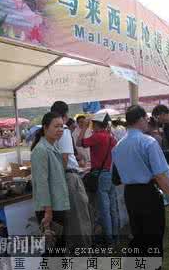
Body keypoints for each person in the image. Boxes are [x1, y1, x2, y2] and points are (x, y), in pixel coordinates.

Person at [111, 105, 169, 267]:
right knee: (153, 239)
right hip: (148, 193)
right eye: (146, 119)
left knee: (139, 236)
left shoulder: (118, 146)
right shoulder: (148, 142)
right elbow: (160, 176)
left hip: (130, 194)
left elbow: (117, 177)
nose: (148, 122)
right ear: (141, 119)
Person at [50, 101, 92, 248]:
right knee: (79, 218)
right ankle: (83, 253)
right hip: (69, 177)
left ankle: (75, 251)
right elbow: (65, 157)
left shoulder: (50, 131)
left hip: (62, 176)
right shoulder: (64, 130)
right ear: (66, 115)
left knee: (71, 219)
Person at [76, 113, 119, 245]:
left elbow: (79, 142)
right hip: (111, 173)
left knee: (104, 209)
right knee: (113, 207)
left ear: (96, 124)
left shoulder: (97, 136)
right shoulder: (111, 137)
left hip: (101, 175)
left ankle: (109, 239)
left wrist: (83, 128)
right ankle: (115, 237)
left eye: (92, 124)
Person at [30, 112, 69, 248]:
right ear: (45, 128)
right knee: (52, 250)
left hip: (57, 204)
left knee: (58, 247)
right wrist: (48, 212)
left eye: (62, 127)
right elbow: (42, 183)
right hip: (49, 209)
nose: (60, 130)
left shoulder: (54, 145)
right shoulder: (40, 150)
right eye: (56, 126)